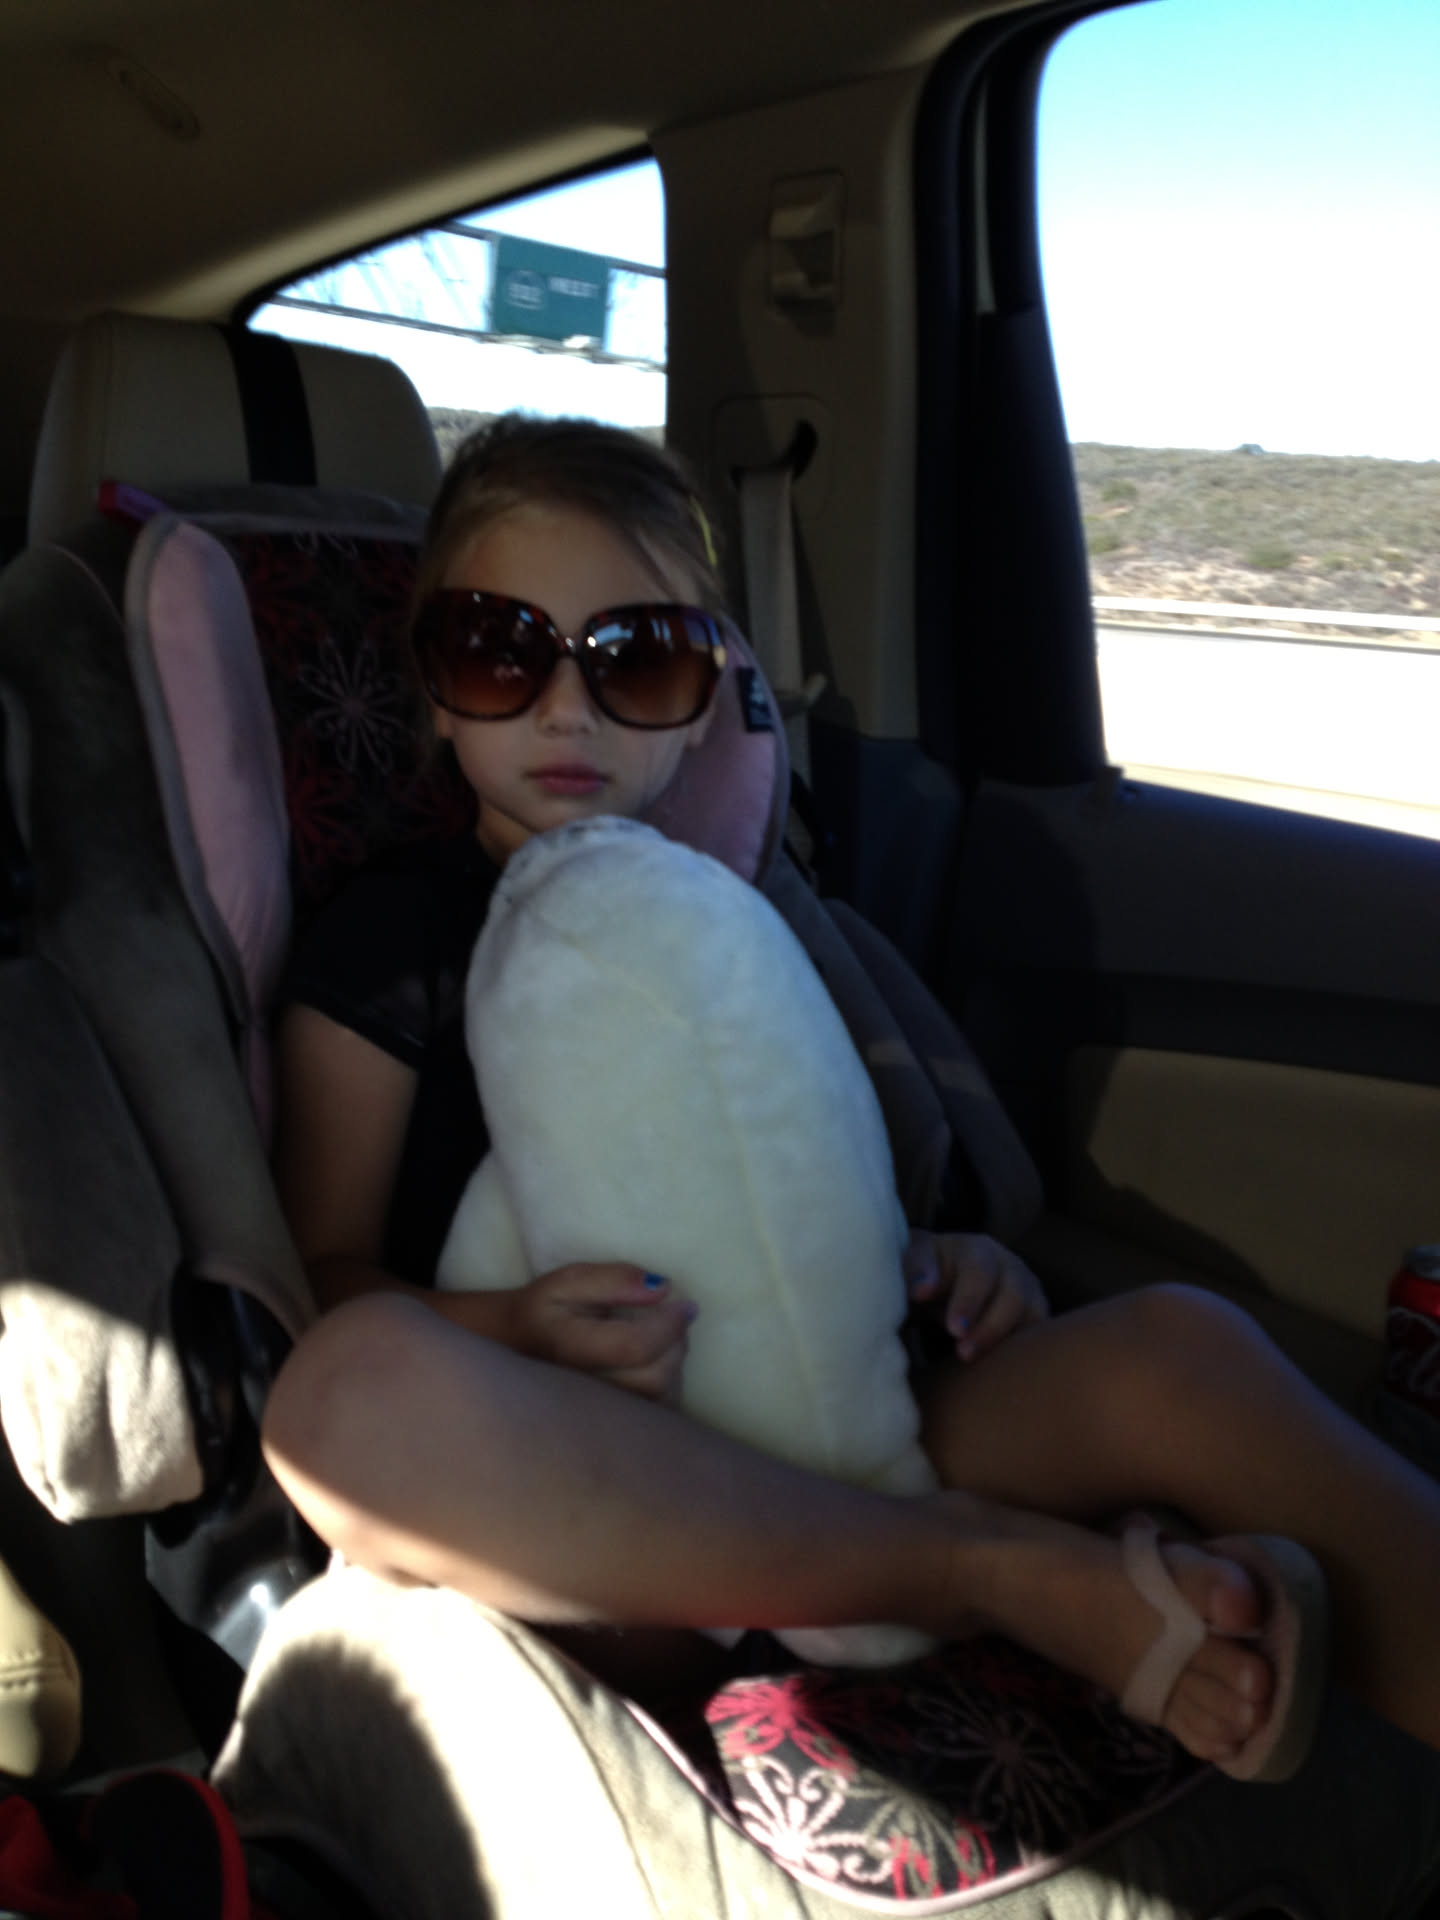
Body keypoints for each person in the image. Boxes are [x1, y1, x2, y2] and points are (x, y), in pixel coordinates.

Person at [264, 413, 1440, 1788]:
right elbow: (323, 1272)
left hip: (838, 1425)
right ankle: (992, 1571)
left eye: (638, 661)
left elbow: (795, 1185)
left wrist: (934, 1264)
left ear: (703, 701)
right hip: (591, 1494)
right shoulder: (391, 940)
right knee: (338, 1397)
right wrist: (511, 1326)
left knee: (1181, 1345)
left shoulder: (734, 924)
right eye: (498, 651)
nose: (567, 708)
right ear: (431, 689)